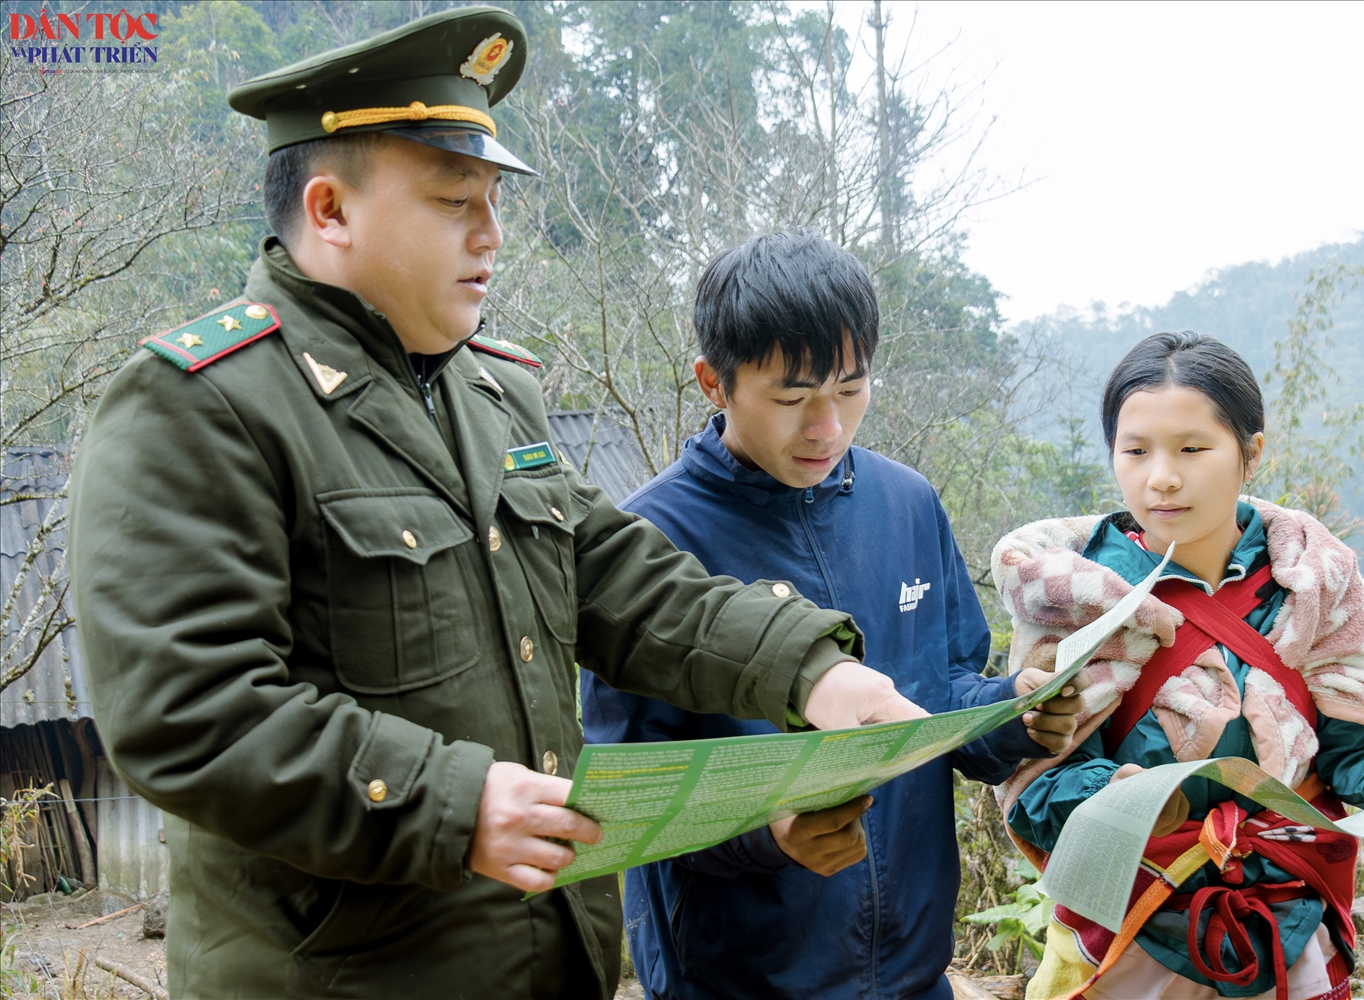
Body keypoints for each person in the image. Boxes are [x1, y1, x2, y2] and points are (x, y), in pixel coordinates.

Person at [68, 11, 925, 1000]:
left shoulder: (490, 390)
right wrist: (454, 800)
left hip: (545, 957)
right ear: (330, 209)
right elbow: (190, 712)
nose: (492, 233)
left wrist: (809, 669)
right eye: (452, 200)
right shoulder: (205, 403)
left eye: (492, 199)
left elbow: (617, 579)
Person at [581, 230, 1085, 1000]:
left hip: (915, 975)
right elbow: (635, 796)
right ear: (712, 382)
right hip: (736, 984)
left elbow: (940, 689)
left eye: (851, 390)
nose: (827, 427)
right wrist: (769, 835)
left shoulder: (907, 503)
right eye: (792, 398)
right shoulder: (649, 546)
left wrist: (1015, 712)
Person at [990, 331, 1364, 1000]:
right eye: (1135, 451)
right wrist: (1126, 802)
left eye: (1193, 449)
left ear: (1251, 453)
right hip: (1128, 938)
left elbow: (1354, 742)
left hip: (1288, 922)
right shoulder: (1068, 593)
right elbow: (1033, 774)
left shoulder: (1314, 580)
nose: (1161, 476)